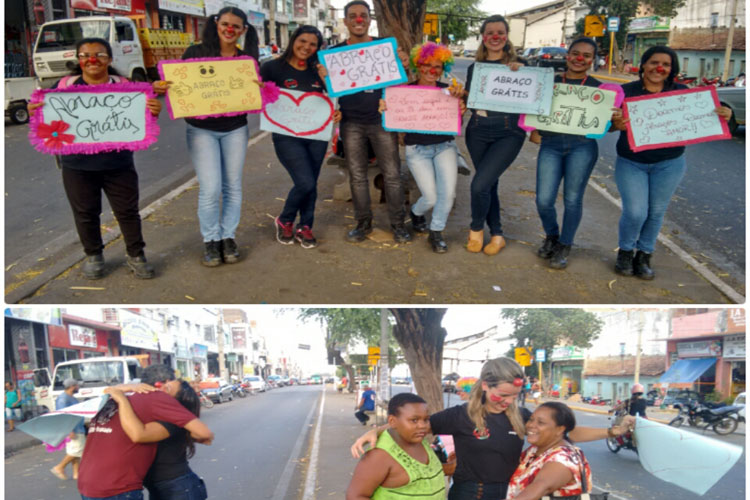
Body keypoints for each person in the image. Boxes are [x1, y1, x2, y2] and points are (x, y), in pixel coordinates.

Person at [352, 358, 634, 500]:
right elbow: (414, 426)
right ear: (485, 386)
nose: (508, 402)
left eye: (514, 396)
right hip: (470, 492)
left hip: (512, 492)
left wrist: (611, 433)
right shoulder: (459, 416)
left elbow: (564, 432)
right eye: (502, 395)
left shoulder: (520, 416)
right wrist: (375, 431)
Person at [28, 37, 160, 280]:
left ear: (109, 59)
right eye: (85, 55)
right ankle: (94, 255)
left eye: (99, 55)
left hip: (119, 163)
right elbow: (47, 124)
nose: (92, 60)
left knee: (128, 212)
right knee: (86, 213)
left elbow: (140, 122)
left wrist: (153, 112)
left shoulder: (127, 87)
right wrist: (35, 114)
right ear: (78, 61)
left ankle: (136, 254)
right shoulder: (62, 87)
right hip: (77, 165)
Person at [611, 46, 732, 279]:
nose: (659, 68)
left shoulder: (681, 92)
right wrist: (616, 125)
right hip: (631, 162)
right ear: (643, 65)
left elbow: (705, 113)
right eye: (654, 62)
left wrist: (723, 112)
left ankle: (644, 255)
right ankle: (625, 252)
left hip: (669, 164)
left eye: (666, 65)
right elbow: (605, 125)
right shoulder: (625, 92)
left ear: (671, 69)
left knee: (656, 212)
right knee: (636, 212)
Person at [156, 7, 259, 267]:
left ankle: (228, 237)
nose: (229, 29)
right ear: (216, 24)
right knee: (210, 188)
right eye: (225, 24)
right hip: (201, 130)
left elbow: (256, 94)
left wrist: (259, 89)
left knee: (232, 186)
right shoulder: (195, 53)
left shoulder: (246, 60)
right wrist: (163, 86)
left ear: (243, 30)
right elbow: (181, 88)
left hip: (235, 128)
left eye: (235, 26)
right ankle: (211, 240)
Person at [319, 0, 411, 243]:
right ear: (346, 21)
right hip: (351, 123)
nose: (358, 19)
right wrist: (324, 79)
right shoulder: (335, 54)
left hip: (382, 121)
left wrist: (404, 65)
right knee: (357, 175)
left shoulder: (384, 49)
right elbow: (328, 93)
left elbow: (401, 84)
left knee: (392, 174)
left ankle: (399, 225)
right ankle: (363, 224)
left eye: (363, 15)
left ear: (370, 20)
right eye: (353, 15)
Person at [531, 37, 622, 269]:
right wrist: (532, 129)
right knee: (543, 199)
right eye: (575, 53)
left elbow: (605, 126)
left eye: (587, 55)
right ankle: (552, 235)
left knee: (572, 199)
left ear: (593, 60)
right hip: (550, 144)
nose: (580, 59)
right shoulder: (548, 82)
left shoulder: (600, 89)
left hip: (582, 147)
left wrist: (613, 119)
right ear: (568, 55)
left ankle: (565, 244)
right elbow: (532, 109)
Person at [77, 364, 213, 500]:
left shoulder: (159, 412)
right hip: (152, 487)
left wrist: (122, 395)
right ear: (161, 384)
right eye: (172, 381)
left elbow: (138, 434)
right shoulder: (148, 402)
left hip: (177, 487)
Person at [380, 42, 465, 253]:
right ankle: (417, 213)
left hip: (444, 146)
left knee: (449, 194)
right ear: (419, 65)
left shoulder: (449, 92)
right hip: (417, 150)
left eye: (437, 66)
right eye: (427, 65)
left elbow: (455, 125)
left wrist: (460, 110)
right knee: (431, 197)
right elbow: (391, 114)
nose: (432, 71)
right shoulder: (403, 91)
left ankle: (436, 232)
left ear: (443, 68)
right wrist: (384, 107)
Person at [261, 25, 342, 248]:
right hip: (286, 136)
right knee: (305, 181)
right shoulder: (271, 68)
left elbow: (335, 98)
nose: (306, 47)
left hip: (317, 135)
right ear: (293, 39)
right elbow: (256, 96)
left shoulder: (320, 70)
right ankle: (285, 219)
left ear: (318, 48)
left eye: (312, 44)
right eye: (302, 41)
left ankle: (305, 226)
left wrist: (336, 109)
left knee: (311, 183)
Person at [463, 15, 526, 256]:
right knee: (489, 184)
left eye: (500, 32)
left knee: (480, 184)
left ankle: (476, 229)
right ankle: (498, 235)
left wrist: (521, 71)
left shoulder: (521, 64)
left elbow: (533, 97)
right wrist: (460, 98)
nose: (495, 37)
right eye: (490, 33)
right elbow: (472, 102)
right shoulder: (474, 67)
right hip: (477, 129)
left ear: (507, 36)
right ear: (483, 37)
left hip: (508, 132)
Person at [106, 380, 209, 500]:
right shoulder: (155, 416)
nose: (160, 389)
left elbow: (139, 434)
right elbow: (108, 391)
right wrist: (128, 386)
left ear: (176, 402)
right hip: (161, 488)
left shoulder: (172, 423)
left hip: (178, 488)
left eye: (167, 389)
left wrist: (122, 398)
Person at [346, 393, 445, 499]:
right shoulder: (379, 455)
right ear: (392, 421)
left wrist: (453, 467)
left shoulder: (419, 440)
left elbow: (424, 474)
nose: (422, 426)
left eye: (426, 420)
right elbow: (355, 497)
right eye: (414, 420)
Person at [505, 402, 593, 500]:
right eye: (531, 419)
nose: (531, 425)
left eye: (541, 422)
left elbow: (542, 486)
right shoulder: (536, 449)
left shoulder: (564, 458)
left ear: (560, 429)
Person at [50, 379, 87, 480]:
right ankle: (60, 467)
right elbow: (62, 415)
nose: (78, 387)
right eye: (77, 386)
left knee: (75, 452)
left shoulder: (71, 398)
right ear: (72, 386)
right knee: (78, 450)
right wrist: (69, 430)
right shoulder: (63, 399)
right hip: (73, 428)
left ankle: (76, 474)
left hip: (77, 427)